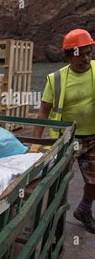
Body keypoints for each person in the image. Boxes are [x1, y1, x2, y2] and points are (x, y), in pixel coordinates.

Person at [33, 28, 95, 233]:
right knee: (58, 182)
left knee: (94, 179)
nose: (86, 58)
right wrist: (36, 144)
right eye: (81, 54)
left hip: (93, 137)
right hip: (66, 139)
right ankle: (52, 220)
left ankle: (84, 210)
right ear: (69, 56)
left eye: (89, 52)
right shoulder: (56, 79)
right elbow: (43, 111)